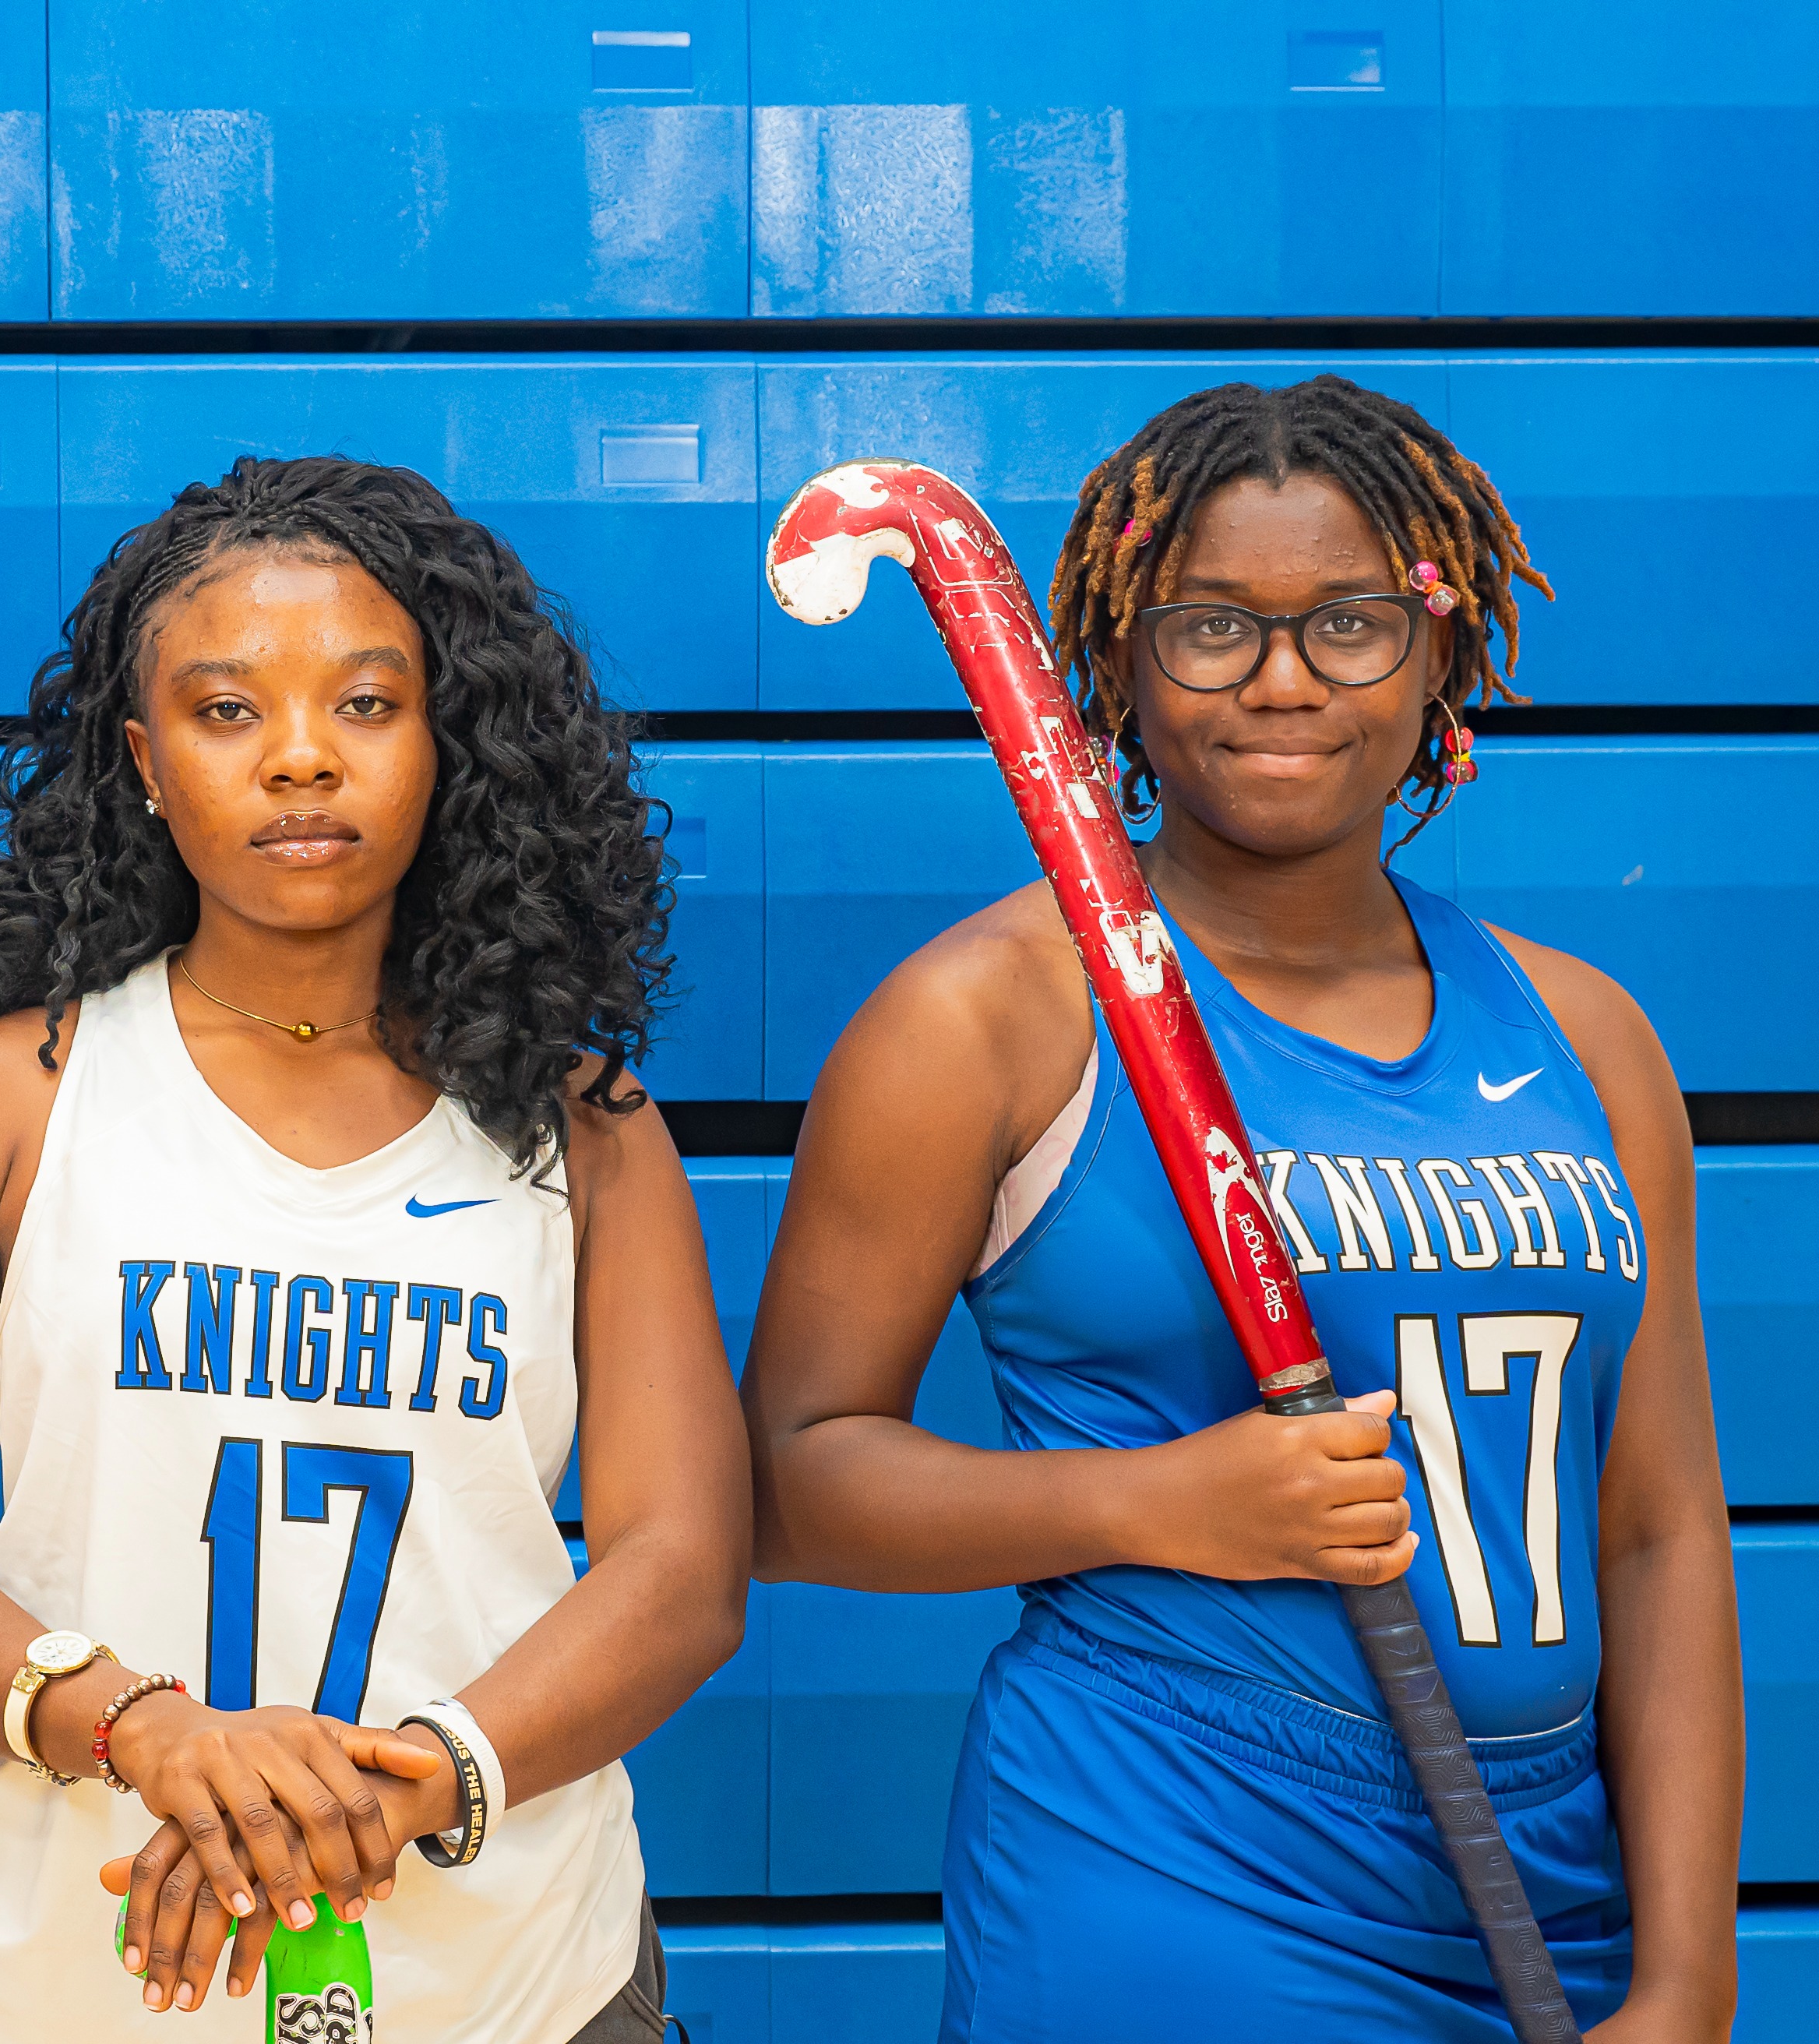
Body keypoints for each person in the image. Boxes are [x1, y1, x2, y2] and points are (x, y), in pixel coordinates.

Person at [743, 375, 1740, 2040]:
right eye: (1212, 627)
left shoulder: (1593, 1038)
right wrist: (1166, 1501)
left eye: (1349, 622)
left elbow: (1653, 1531)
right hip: (1174, 1858)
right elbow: (785, 1486)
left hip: (1552, 1890)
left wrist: (1691, 1977)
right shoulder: (992, 1016)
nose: (1283, 681)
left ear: (1443, 648)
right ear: (1121, 660)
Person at [0, 456, 749, 2042]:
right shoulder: (6, 1092)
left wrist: (411, 1781)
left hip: (505, 1972)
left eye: (368, 705)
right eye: (229, 711)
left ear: (448, 746)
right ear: (146, 761)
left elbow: (682, 1571)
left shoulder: (583, 1123)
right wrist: (149, 1731)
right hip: (58, 1969)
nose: (302, 758)